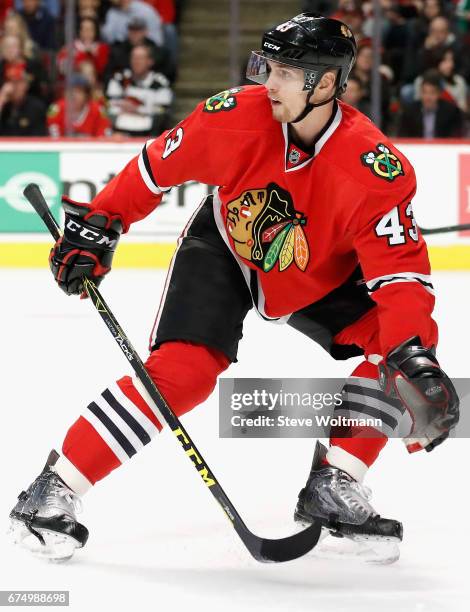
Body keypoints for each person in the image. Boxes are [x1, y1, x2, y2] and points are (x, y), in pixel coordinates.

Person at [9, 13, 458, 563]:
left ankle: (335, 484)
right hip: (226, 246)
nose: (268, 81)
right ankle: (53, 489)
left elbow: (404, 281)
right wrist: (101, 223)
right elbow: (153, 170)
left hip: (319, 272)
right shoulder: (234, 116)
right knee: (183, 371)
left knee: (404, 351)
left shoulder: (374, 170)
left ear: (324, 83)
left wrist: (415, 358)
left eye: (286, 72)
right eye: (268, 66)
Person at [106, 43, 173, 136]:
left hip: (149, 134)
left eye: (141, 58)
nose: (136, 62)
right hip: (120, 133)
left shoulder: (160, 83)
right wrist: (146, 110)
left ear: (150, 61)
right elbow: (109, 106)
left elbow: (161, 112)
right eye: (134, 58)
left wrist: (137, 109)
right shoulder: (119, 79)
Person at [398, 69, 464, 137]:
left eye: (432, 93)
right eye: (424, 92)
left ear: (439, 94)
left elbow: (457, 138)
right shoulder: (410, 111)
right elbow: (402, 136)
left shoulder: (451, 112)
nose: (428, 97)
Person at [47, 73, 112, 137]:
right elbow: (54, 141)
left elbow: (103, 140)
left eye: (78, 91)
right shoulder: (56, 109)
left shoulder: (98, 110)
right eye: (70, 91)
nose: (73, 95)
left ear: (86, 95)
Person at [0, 70, 47, 135]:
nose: (13, 88)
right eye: (11, 83)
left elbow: (39, 138)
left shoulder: (36, 107)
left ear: (26, 85)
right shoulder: (4, 106)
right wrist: (1, 101)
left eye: (17, 83)